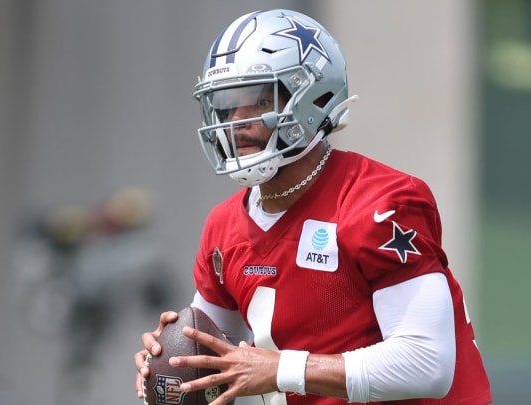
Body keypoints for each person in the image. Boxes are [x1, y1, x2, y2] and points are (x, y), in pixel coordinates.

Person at [134, 8, 492, 405]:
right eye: (227, 104)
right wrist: (172, 367)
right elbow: (211, 357)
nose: (236, 121)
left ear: (313, 96)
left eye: (256, 100)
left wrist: (279, 369)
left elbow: (427, 363)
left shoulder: (380, 203)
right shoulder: (223, 227)